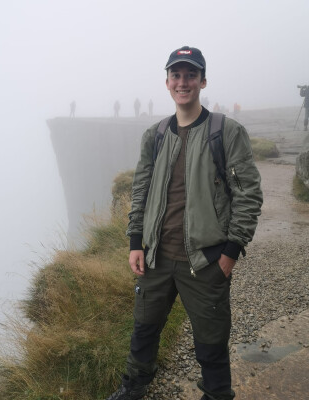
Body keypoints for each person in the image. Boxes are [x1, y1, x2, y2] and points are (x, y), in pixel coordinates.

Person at [106, 46, 263, 400]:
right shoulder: (156, 135)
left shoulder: (226, 131)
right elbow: (141, 191)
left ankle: (217, 394)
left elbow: (248, 194)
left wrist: (231, 252)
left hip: (206, 261)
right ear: (166, 83)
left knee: (211, 341)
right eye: (176, 75)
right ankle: (133, 388)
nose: (183, 82)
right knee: (144, 331)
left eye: (191, 74)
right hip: (157, 258)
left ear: (203, 81)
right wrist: (136, 243)